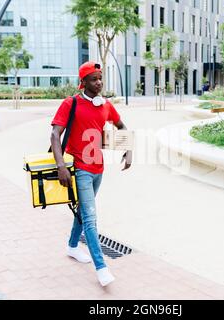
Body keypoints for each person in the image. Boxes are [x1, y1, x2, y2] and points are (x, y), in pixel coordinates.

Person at [50, 61, 132, 287]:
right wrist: (61, 166)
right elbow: (55, 135)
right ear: (83, 82)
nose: (99, 82)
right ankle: (101, 267)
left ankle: (72, 246)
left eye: (100, 78)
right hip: (80, 170)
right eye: (94, 79)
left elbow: (122, 126)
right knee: (90, 218)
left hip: (99, 169)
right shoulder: (70, 104)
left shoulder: (105, 105)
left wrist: (129, 150)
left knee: (84, 211)